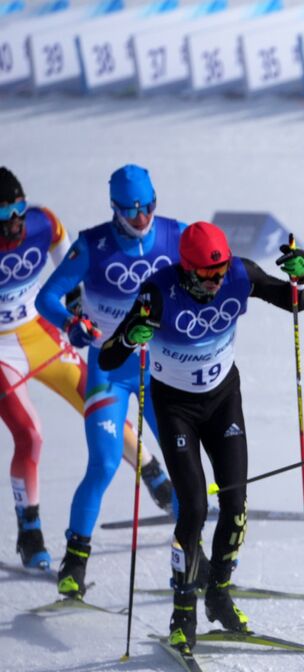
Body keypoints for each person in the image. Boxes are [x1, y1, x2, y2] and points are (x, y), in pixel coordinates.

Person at [98, 222, 304, 658]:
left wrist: (300, 277)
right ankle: (182, 613)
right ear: (185, 269)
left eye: (219, 274)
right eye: (204, 277)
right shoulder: (157, 292)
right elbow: (107, 356)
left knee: (235, 501)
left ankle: (219, 593)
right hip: (176, 408)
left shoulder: (241, 274)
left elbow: (296, 303)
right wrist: (127, 337)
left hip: (223, 400)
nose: (214, 284)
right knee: (193, 507)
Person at [0, 166, 169, 571]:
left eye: (18, 208)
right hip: (1, 350)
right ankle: (30, 531)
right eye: (3, 215)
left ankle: (152, 472)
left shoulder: (44, 223)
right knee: (31, 434)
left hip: (39, 332)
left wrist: (76, 315)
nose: (15, 221)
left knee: (95, 398)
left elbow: (66, 279)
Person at [37, 164, 188, 596]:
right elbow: (47, 297)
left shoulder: (175, 235)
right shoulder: (91, 245)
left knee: (183, 466)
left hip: (162, 370)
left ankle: (191, 561)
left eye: (149, 208)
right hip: (109, 368)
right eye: (132, 211)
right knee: (104, 463)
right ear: (116, 209)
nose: (142, 219)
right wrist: (71, 324)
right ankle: (74, 563)